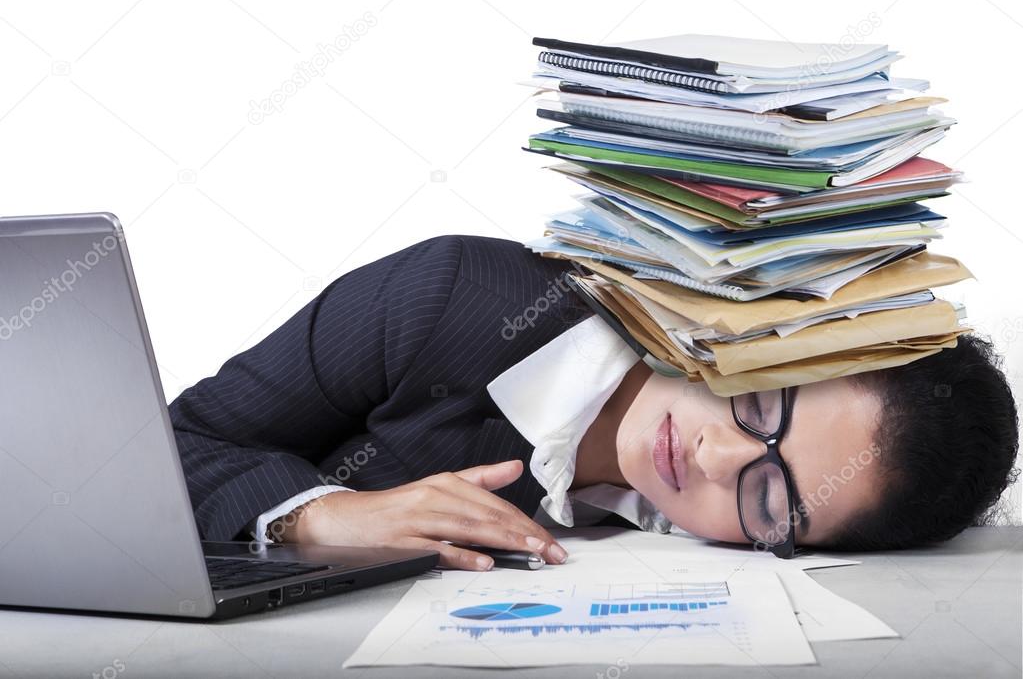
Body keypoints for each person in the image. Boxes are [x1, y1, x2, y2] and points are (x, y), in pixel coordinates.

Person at [170, 235, 1020, 571]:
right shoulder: (449, 297)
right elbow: (166, 443)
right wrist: (315, 515)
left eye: (770, 497)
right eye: (761, 404)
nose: (713, 461)